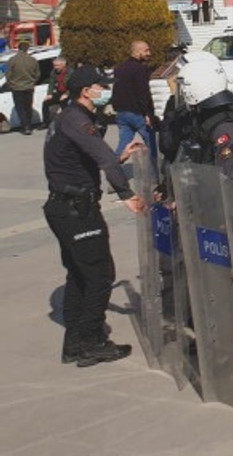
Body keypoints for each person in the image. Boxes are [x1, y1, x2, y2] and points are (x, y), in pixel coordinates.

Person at [43, 66, 145, 366]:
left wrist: (121, 156)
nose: (105, 90)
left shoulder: (72, 117)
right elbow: (102, 159)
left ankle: (74, 343)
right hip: (76, 210)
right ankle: (91, 341)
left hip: (66, 207)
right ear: (86, 91)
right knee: (100, 275)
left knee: (79, 274)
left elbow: (89, 159)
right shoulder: (76, 120)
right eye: (100, 86)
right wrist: (127, 194)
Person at [111, 40, 157, 166]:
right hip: (137, 114)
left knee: (123, 144)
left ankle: (114, 169)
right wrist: (147, 113)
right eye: (146, 50)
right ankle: (157, 176)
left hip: (121, 113)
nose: (149, 53)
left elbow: (116, 90)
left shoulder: (120, 68)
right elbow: (143, 93)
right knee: (153, 146)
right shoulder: (139, 69)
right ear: (136, 52)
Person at [6, 41, 40, 134]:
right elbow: (37, 74)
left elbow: (8, 75)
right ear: (27, 49)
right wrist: (32, 82)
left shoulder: (12, 60)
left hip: (17, 88)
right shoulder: (32, 60)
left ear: (19, 49)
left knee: (20, 108)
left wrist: (11, 84)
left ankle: (25, 126)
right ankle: (28, 125)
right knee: (28, 106)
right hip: (29, 87)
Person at [41, 56, 71, 126]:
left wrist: (67, 94)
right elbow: (51, 83)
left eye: (57, 65)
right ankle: (46, 122)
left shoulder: (70, 72)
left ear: (63, 65)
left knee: (64, 102)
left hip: (69, 93)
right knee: (46, 102)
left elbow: (72, 85)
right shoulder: (53, 72)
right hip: (59, 92)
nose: (55, 67)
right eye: (54, 65)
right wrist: (49, 94)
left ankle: (66, 122)